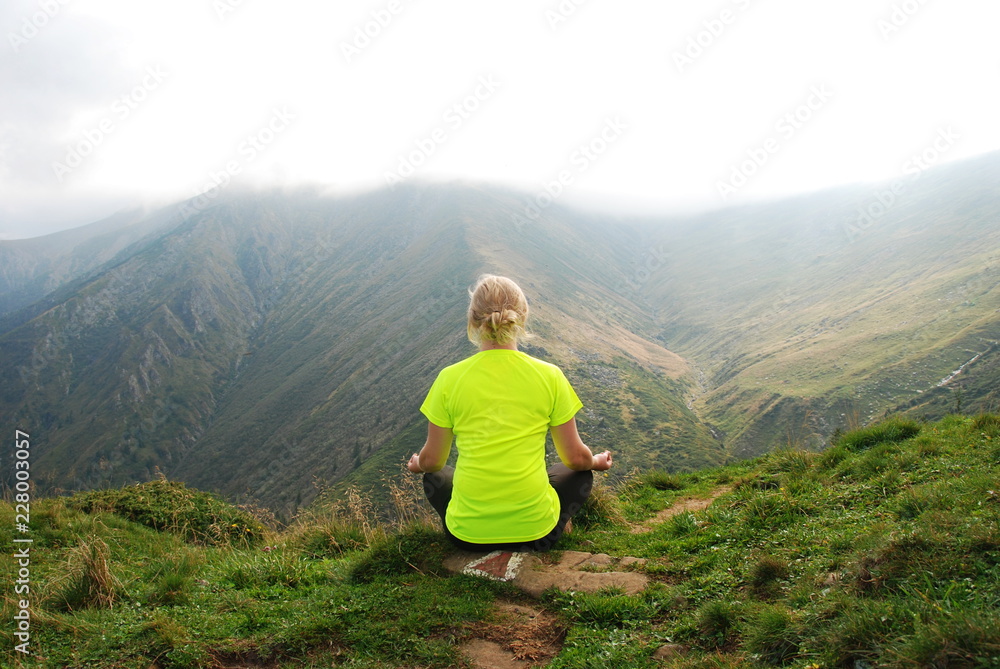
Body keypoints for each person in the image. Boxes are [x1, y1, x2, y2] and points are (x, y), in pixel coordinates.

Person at [407, 274, 612, 552]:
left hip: (466, 539)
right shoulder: (550, 376)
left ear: (473, 320)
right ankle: (556, 522)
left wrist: (417, 463)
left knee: (435, 476)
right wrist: (596, 461)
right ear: (522, 317)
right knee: (580, 473)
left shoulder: (449, 379)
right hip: (538, 536)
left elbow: (432, 461)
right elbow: (576, 458)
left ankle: (472, 525)